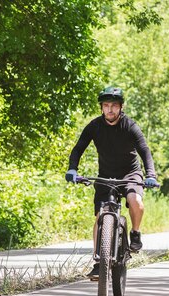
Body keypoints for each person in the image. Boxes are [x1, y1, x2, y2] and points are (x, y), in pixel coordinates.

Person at [65, 86, 158, 279]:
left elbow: (144, 150)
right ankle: (99, 261)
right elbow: (78, 149)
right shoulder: (94, 126)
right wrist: (72, 169)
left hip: (130, 174)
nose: (110, 110)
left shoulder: (130, 126)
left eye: (114, 106)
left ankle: (135, 233)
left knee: (136, 201)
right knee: (100, 217)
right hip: (105, 175)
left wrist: (151, 175)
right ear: (101, 108)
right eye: (106, 105)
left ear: (121, 107)